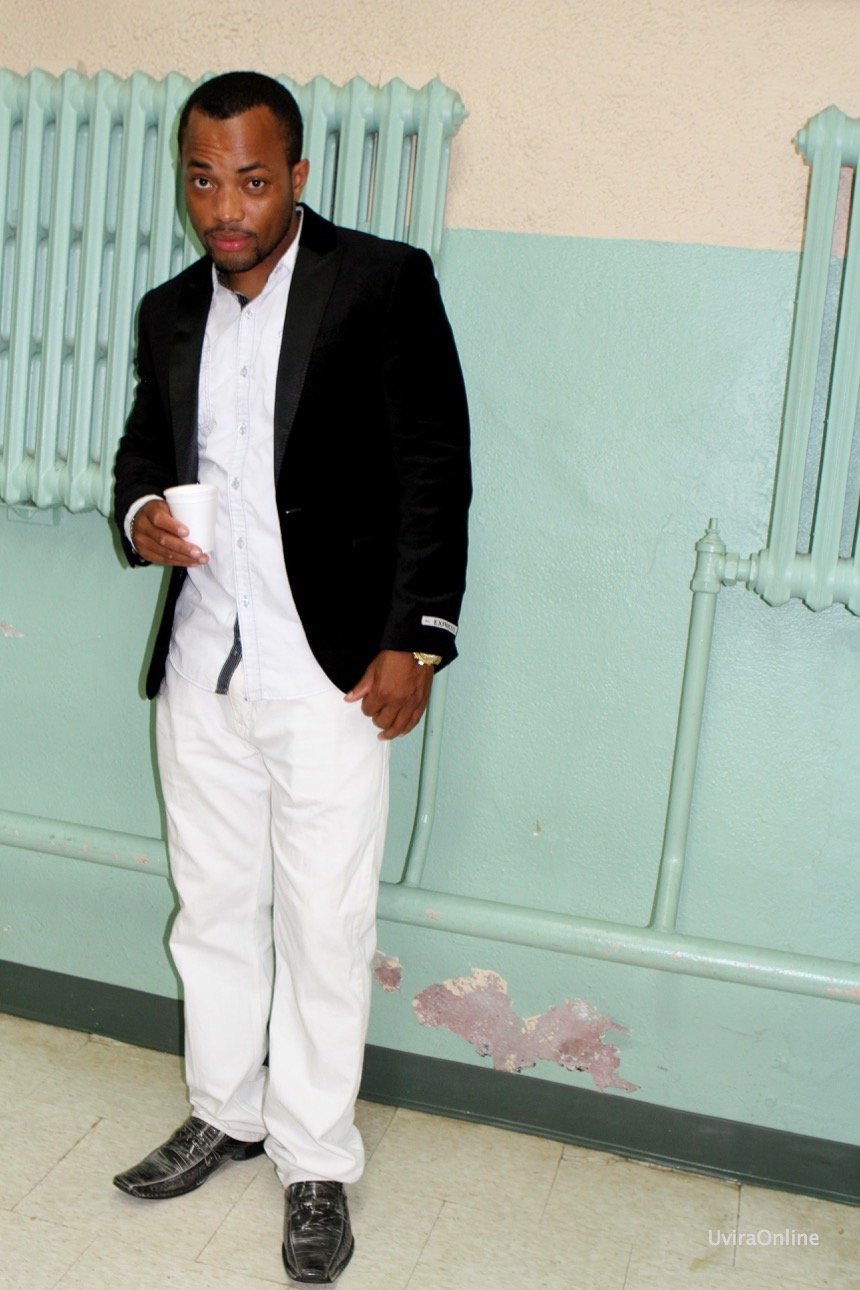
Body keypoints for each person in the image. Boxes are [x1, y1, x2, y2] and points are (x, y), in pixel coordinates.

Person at [112, 70, 470, 1285]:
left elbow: (433, 465)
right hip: (204, 664)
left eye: (252, 181)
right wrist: (143, 514)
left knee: (324, 922)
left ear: (298, 177)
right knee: (211, 906)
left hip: (334, 669)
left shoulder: (381, 283)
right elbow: (144, 450)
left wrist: (418, 638)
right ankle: (225, 1110)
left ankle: (315, 1159)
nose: (226, 208)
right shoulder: (169, 310)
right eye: (203, 181)